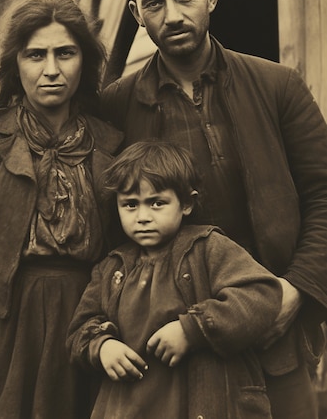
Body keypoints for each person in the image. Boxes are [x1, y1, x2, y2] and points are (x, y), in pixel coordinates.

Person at [101, 0, 327, 419]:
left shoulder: (277, 86)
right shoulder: (115, 107)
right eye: (154, 3)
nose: (174, 15)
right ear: (137, 15)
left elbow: (323, 196)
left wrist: (295, 291)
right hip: (165, 348)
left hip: (273, 334)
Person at [0, 0, 123, 419]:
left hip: (83, 332)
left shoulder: (112, 146)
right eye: (35, 54)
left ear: (84, 62)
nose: (51, 69)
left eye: (65, 53)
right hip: (2, 334)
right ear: (15, 64)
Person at [67, 140, 282, 419]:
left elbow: (262, 293)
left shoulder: (208, 248)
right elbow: (80, 329)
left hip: (198, 402)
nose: (143, 217)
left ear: (187, 203)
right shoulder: (111, 267)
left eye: (157, 203)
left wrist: (192, 330)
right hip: (130, 406)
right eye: (130, 205)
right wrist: (102, 346)